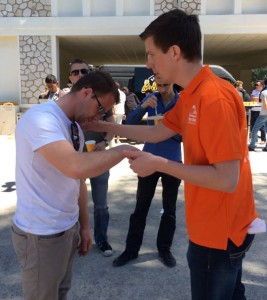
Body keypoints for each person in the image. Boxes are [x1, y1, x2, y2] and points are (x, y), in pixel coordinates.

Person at [83, 9, 258, 300]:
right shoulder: (190, 95)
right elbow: (156, 132)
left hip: (222, 234)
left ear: (174, 52)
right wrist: (103, 125)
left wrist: (158, 163)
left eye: (152, 54)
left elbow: (227, 179)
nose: (148, 63)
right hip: (207, 229)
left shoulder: (214, 97)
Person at [12, 70, 138, 300]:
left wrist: (85, 226)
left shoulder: (74, 127)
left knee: (61, 292)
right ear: (87, 92)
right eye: (100, 109)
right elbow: (76, 167)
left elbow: (78, 181)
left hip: (66, 229)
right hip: (41, 235)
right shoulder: (41, 119)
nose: (99, 118)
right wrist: (122, 151)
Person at [113, 80, 182, 268]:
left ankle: (164, 249)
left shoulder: (182, 102)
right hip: (148, 159)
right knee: (140, 208)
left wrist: (167, 129)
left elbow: (188, 134)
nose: (161, 85)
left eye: (164, 82)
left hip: (172, 160)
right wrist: (142, 106)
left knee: (169, 209)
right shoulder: (151, 99)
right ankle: (131, 250)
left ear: (172, 82)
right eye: (158, 83)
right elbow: (131, 123)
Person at [69, 58, 115, 256]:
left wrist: (105, 142)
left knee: (100, 202)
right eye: (76, 72)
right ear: (70, 77)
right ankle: (77, 239)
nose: (80, 75)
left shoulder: (100, 99)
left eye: (84, 72)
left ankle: (102, 240)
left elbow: (111, 124)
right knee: (72, 200)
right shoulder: (64, 102)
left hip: (97, 157)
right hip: (74, 160)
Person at [249, 78, 267, 151]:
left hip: (264, 114)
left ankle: (252, 145)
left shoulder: (264, 93)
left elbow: (265, 104)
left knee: (255, 129)